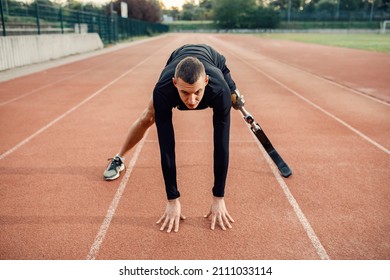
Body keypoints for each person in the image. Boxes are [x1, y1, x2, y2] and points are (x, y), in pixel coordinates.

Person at [104, 44, 242, 233]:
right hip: (175, 59)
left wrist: (219, 197)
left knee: (231, 96)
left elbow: (221, 145)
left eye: (197, 92)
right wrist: (172, 199)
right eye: (185, 93)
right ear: (175, 83)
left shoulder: (219, 90)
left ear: (206, 82)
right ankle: (119, 158)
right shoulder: (163, 90)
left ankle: (233, 92)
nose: (192, 101)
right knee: (148, 116)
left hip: (216, 62)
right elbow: (166, 146)